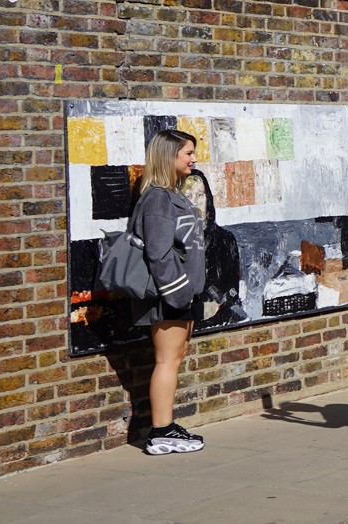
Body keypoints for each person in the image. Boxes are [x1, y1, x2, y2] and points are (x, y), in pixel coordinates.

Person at [133, 129, 209, 455]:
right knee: (167, 361)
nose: (193, 159)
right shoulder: (158, 198)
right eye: (187, 153)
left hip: (181, 294)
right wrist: (178, 294)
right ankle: (161, 432)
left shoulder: (170, 194)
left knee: (173, 359)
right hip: (169, 296)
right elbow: (158, 254)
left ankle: (166, 426)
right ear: (169, 156)